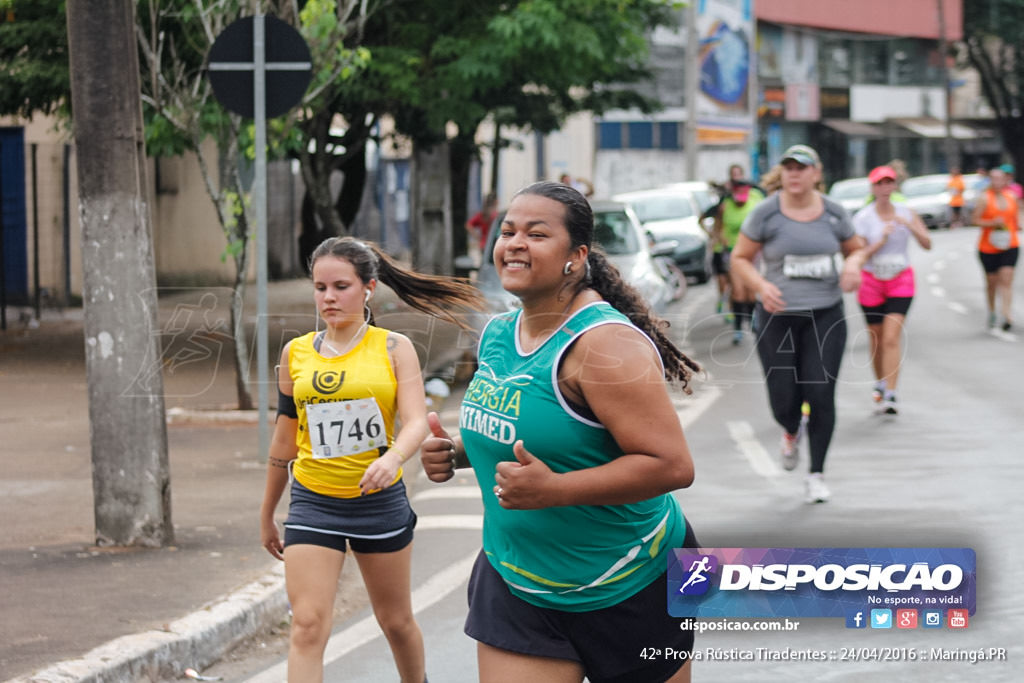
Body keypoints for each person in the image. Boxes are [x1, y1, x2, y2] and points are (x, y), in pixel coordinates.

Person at [420, 181, 701, 682]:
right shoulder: (498, 334)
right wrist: (459, 452)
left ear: (576, 256)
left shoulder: (605, 345)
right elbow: (536, 433)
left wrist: (555, 490)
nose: (514, 243)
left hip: (632, 580)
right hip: (519, 580)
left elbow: (672, 466)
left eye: (536, 233)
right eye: (507, 231)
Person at [259, 236, 484, 682]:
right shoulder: (296, 354)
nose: (328, 297)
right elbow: (285, 440)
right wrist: (267, 513)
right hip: (313, 501)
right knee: (306, 627)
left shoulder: (393, 348)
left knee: (396, 623)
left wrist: (394, 459)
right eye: (320, 287)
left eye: (340, 286)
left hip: (377, 503)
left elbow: (417, 421)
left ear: (369, 288)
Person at [731, 144, 867, 504]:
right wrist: (761, 285)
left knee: (821, 395)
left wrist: (853, 266)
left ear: (816, 173)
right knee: (783, 400)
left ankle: (817, 473)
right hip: (777, 317)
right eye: (788, 167)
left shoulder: (835, 214)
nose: (794, 173)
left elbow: (856, 248)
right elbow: (740, 258)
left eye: (802, 167)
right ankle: (791, 431)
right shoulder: (766, 213)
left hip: (825, 313)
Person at [852, 165, 932, 415]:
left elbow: (928, 243)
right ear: (873, 188)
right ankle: (880, 383)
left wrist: (910, 225)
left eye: (889, 183)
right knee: (876, 339)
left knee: (890, 337)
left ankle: (891, 394)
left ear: (895, 186)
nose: (885, 188)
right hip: (872, 281)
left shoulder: (906, 211)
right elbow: (859, 254)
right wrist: (882, 240)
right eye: (880, 184)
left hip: (900, 279)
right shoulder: (863, 218)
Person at [712, 177, 765, 343]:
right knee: (738, 292)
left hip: (753, 254)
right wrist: (721, 239)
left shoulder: (756, 203)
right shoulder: (725, 206)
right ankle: (738, 329)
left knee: (750, 294)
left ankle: (752, 321)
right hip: (733, 253)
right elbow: (717, 227)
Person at [971, 166, 1020, 331]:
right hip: (988, 246)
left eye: (1000, 179)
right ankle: (992, 310)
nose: (998, 182)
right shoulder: (984, 198)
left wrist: (1019, 225)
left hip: (1009, 244)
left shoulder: (1011, 196)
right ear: (990, 181)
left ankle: (1007, 315)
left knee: (1006, 279)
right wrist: (992, 223)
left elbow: (1016, 219)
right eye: (994, 179)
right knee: (992, 282)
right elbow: (975, 220)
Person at [467, 193, 499, 265]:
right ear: (496, 202)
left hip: (484, 244)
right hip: (494, 245)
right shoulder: (496, 216)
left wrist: (477, 237)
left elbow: (468, 225)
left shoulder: (482, 215)